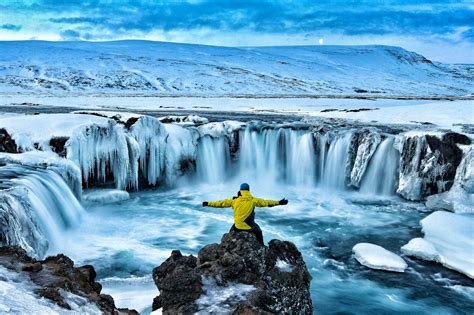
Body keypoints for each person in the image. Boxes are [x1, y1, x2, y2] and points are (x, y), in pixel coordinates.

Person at [202, 183, 288, 245]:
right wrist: (279, 202)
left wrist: (208, 203)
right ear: (248, 190)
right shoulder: (253, 200)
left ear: (240, 191)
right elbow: (267, 203)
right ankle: (261, 246)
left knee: (231, 230)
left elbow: (220, 203)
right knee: (258, 231)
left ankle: (227, 243)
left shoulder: (234, 201)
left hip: (237, 227)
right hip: (249, 227)